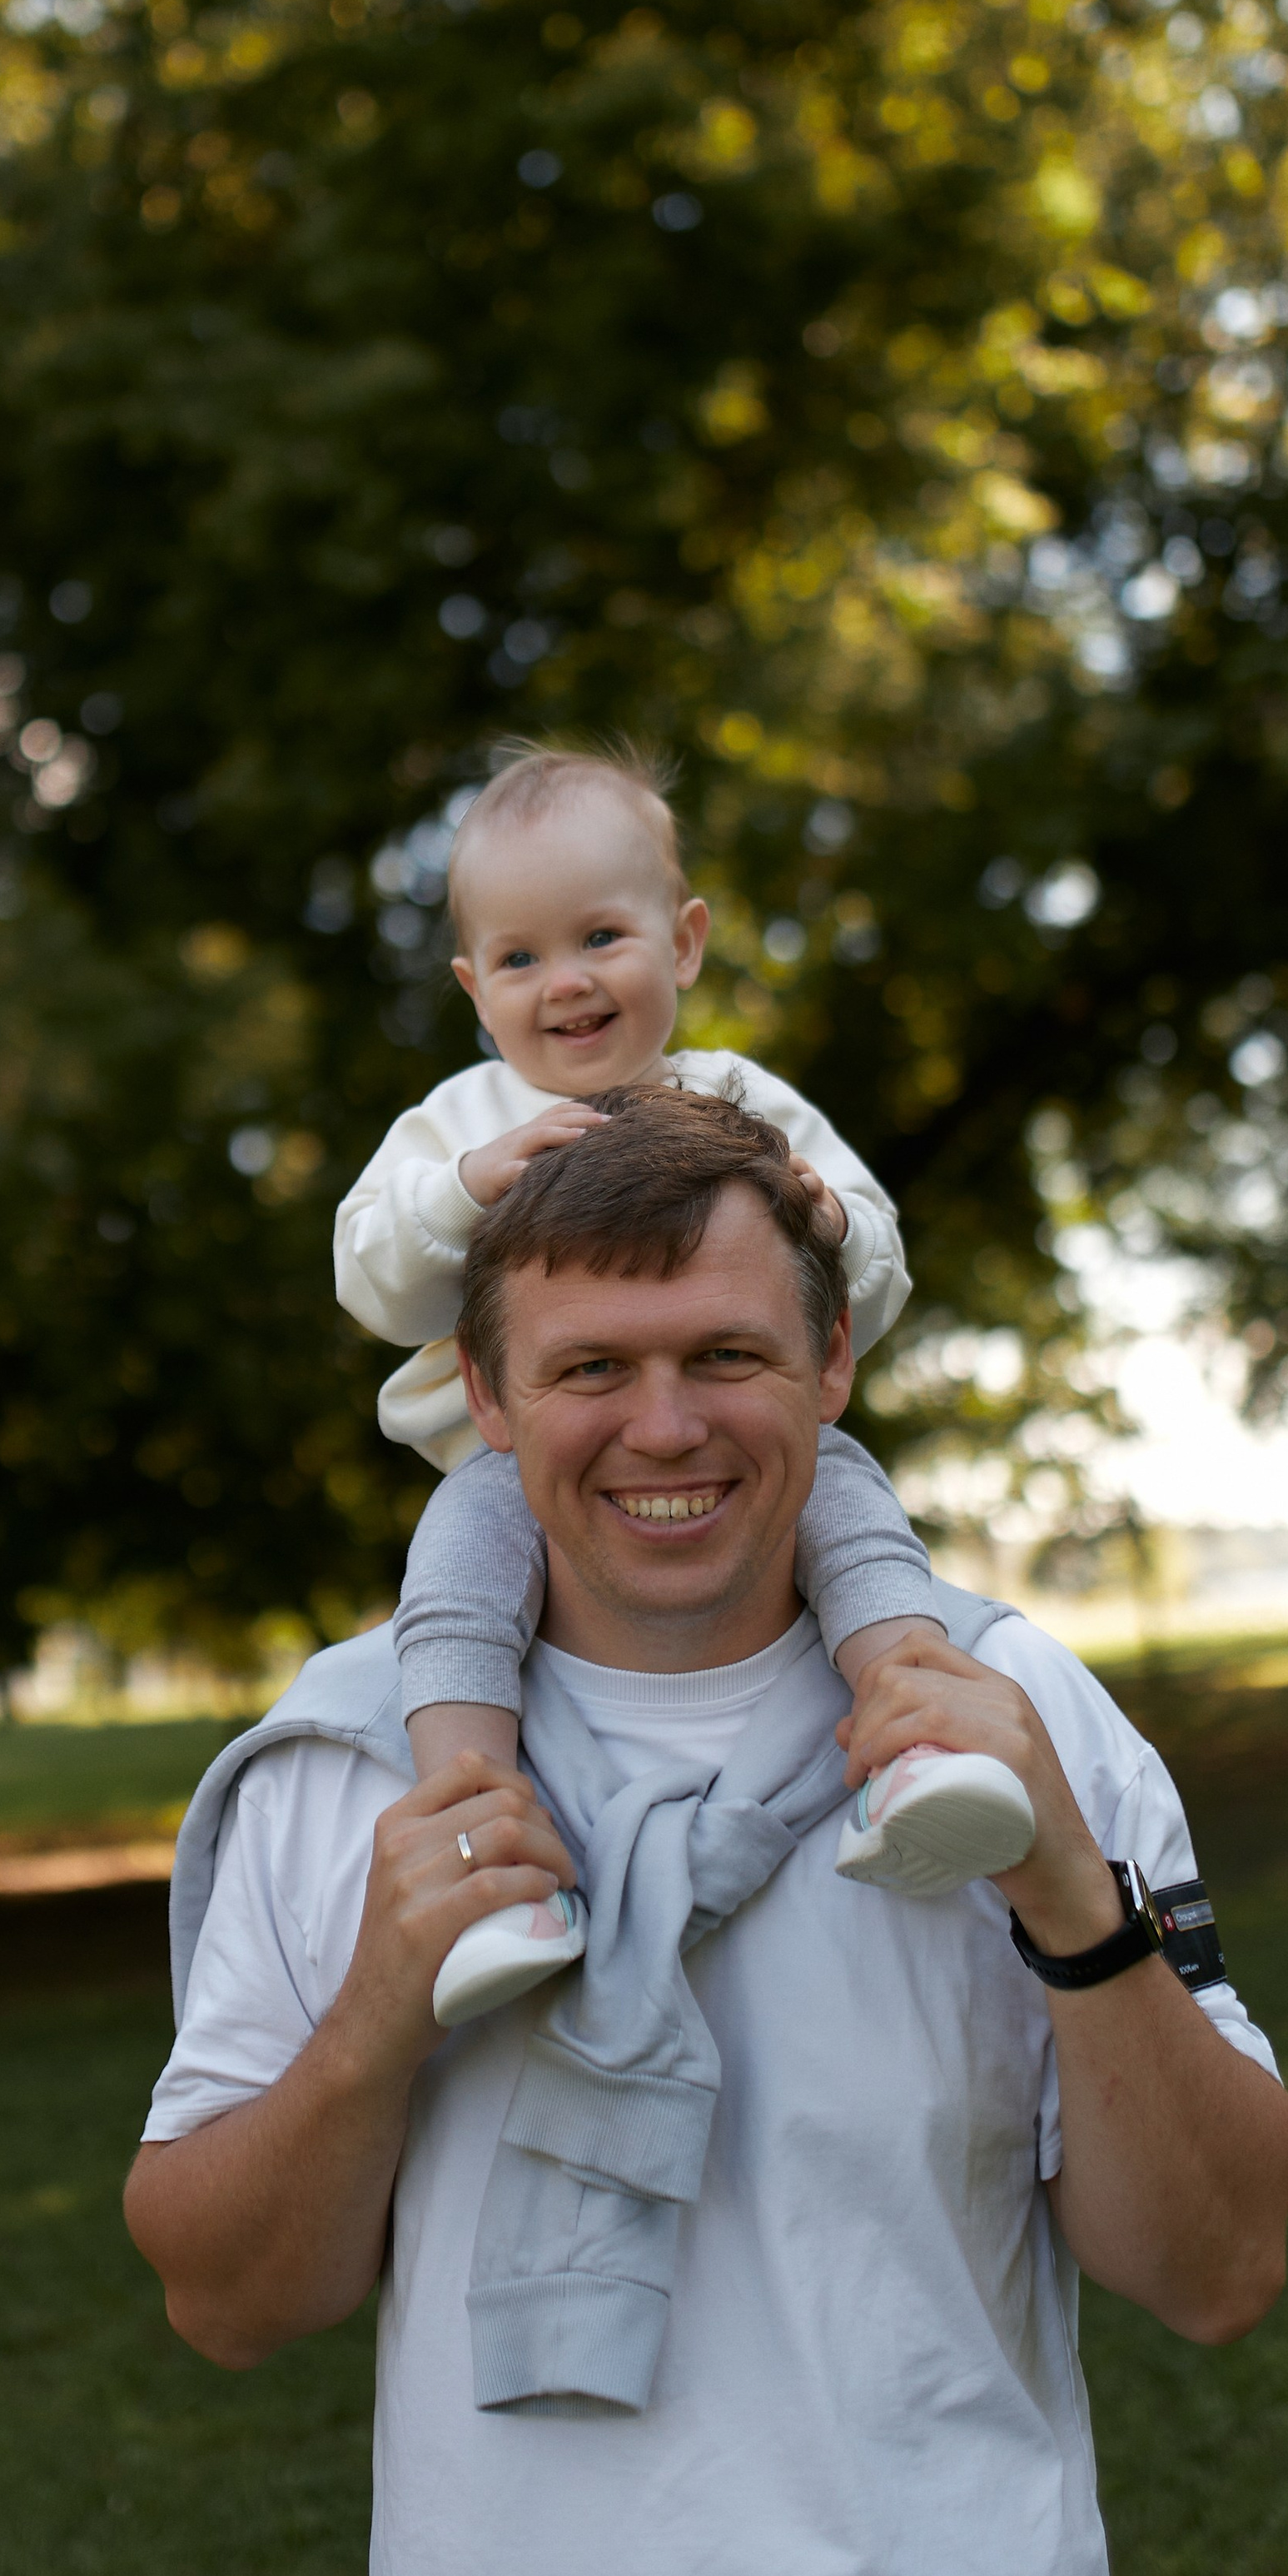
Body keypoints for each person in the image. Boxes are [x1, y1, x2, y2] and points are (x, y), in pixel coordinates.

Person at [126, 1086, 1288, 2576]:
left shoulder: (1014, 1727)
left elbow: (1218, 2271)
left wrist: (1071, 1902)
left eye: (726, 1354)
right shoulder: (350, 1765)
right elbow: (221, 2300)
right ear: (488, 1393)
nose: (662, 1427)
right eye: (590, 1367)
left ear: (831, 1366)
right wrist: (376, 2014)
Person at [334, 739, 1032, 2025]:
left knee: (863, 1531)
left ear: (686, 941)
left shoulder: (740, 1101)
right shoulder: (457, 1124)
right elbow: (371, 1280)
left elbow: (873, 1276)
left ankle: (918, 1745)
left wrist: (829, 1226)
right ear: (473, 987)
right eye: (522, 958)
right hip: (508, 1466)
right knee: (454, 1608)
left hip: (754, 1449)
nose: (568, 983)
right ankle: (490, 1864)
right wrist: (465, 1195)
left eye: (603, 936)